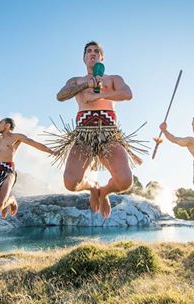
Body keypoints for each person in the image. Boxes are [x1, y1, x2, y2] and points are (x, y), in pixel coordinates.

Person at [51, 41, 147, 218]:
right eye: (89, 51)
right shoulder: (75, 81)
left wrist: (101, 94)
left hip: (109, 133)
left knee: (125, 181)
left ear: (102, 57)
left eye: (96, 51)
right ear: (84, 58)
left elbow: (127, 94)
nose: (92, 53)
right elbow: (60, 96)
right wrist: (85, 85)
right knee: (71, 182)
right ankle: (93, 186)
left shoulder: (113, 79)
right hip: (83, 134)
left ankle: (104, 191)